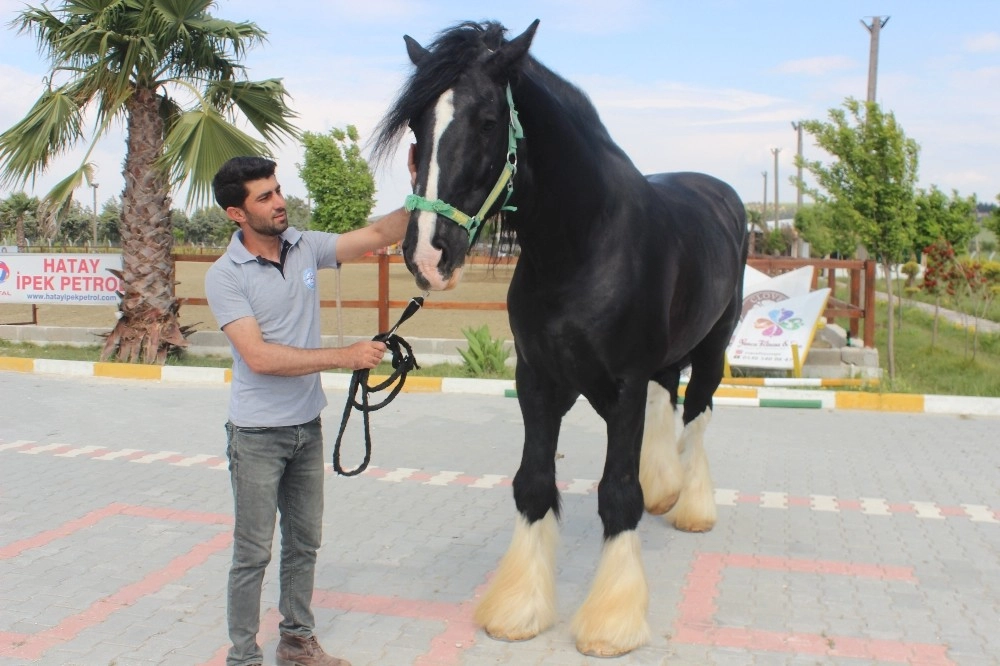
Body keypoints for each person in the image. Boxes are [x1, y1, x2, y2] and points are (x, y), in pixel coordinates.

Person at [206, 156, 410, 666]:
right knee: (253, 553)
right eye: (264, 197)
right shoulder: (225, 276)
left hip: (306, 427)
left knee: (304, 544)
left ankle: (297, 643)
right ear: (236, 213)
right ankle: (243, 658)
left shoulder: (305, 245)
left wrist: (422, 187)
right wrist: (344, 356)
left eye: (278, 190)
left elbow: (378, 232)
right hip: (255, 435)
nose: (280, 202)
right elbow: (258, 357)